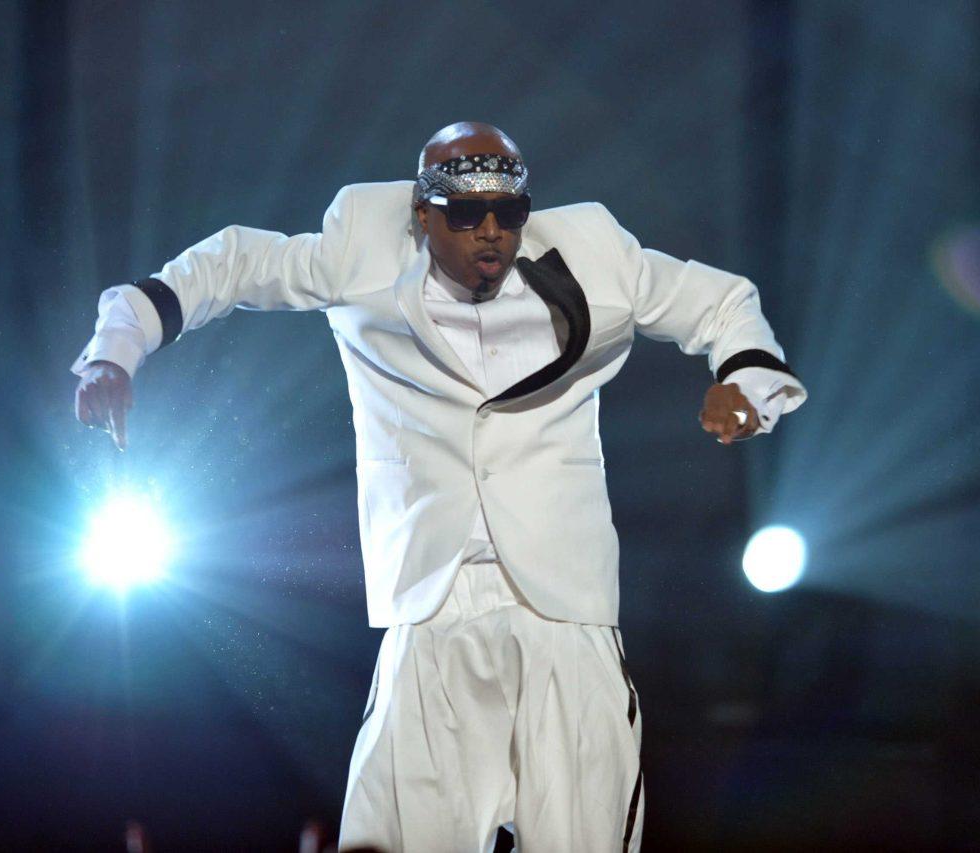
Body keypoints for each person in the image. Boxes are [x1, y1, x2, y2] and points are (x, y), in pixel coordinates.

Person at [72, 121, 806, 852]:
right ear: (423, 215)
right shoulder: (360, 248)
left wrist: (746, 381)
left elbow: (721, 302)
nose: (490, 232)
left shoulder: (592, 252)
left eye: (508, 213)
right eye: (464, 214)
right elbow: (229, 266)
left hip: (564, 613)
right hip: (431, 608)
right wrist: (116, 348)